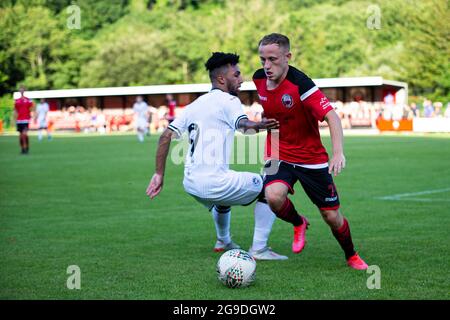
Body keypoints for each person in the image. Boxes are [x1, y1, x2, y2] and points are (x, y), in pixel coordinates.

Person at [146, 52, 287, 260]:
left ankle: (223, 240)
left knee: (224, 197)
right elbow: (243, 126)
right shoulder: (229, 100)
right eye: (236, 75)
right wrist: (259, 125)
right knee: (271, 188)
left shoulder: (194, 105)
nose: (241, 80)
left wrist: (159, 174)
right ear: (222, 79)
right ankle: (259, 249)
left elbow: (166, 136)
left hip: (192, 184)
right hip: (214, 183)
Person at [252, 33, 368, 270]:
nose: (266, 66)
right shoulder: (258, 80)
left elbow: (332, 117)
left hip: (310, 157)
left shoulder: (301, 84)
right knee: (273, 196)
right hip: (278, 152)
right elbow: (272, 111)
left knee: (331, 217)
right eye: (262, 59)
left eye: (273, 59)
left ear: (288, 57)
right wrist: (262, 123)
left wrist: (338, 153)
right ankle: (298, 223)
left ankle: (351, 255)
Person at [14, 86, 34, 154]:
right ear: (19, 91)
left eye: (23, 90)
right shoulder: (17, 101)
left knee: (24, 135)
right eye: (20, 90)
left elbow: (32, 108)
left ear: (24, 91)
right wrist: (14, 119)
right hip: (19, 120)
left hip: (26, 120)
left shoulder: (28, 100)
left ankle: (27, 147)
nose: (21, 91)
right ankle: (22, 149)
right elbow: (15, 110)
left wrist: (32, 116)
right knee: (20, 136)